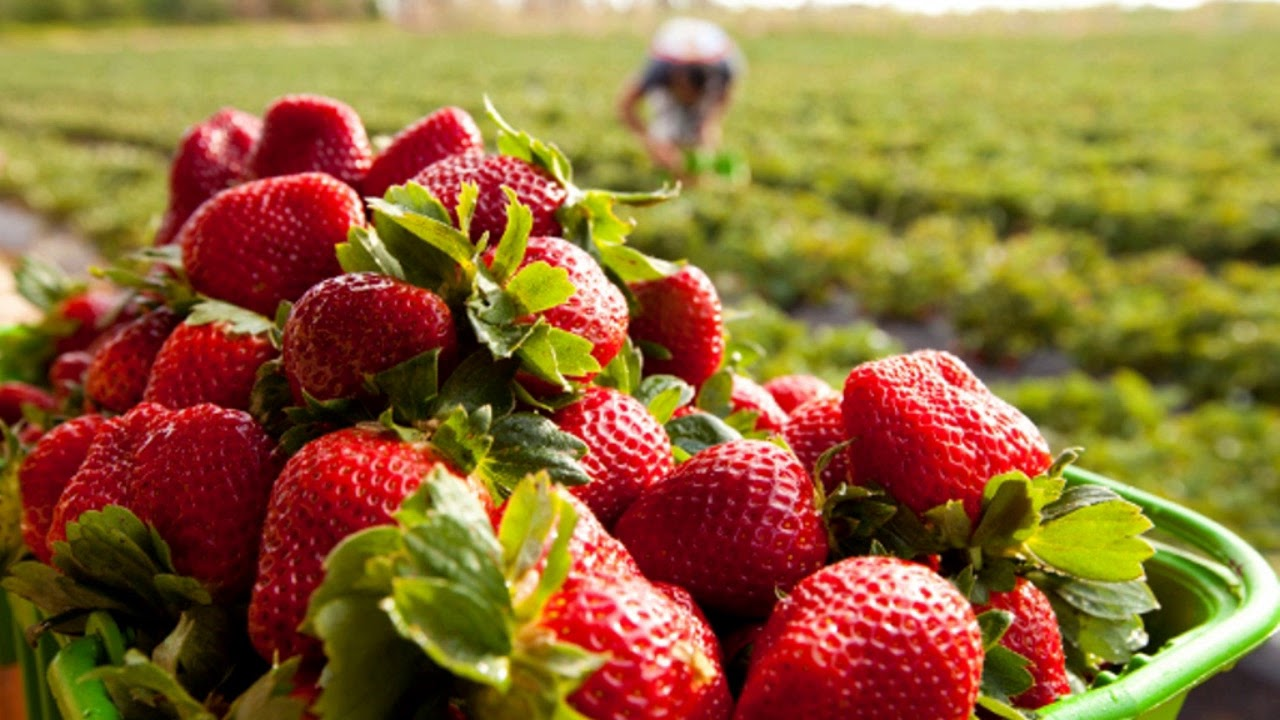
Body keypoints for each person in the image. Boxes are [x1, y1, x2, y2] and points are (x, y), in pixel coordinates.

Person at [618, 17, 743, 179]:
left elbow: (727, 94)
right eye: (684, 95)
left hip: (714, 60)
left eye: (693, 97)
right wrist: (651, 141)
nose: (687, 101)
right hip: (668, 52)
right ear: (676, 83)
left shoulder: (725, 68)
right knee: (665, 130)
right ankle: (669, 166)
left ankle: (694, 170)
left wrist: (710, 123)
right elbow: (625, 106)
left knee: (701, 134)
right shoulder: (658, 69)